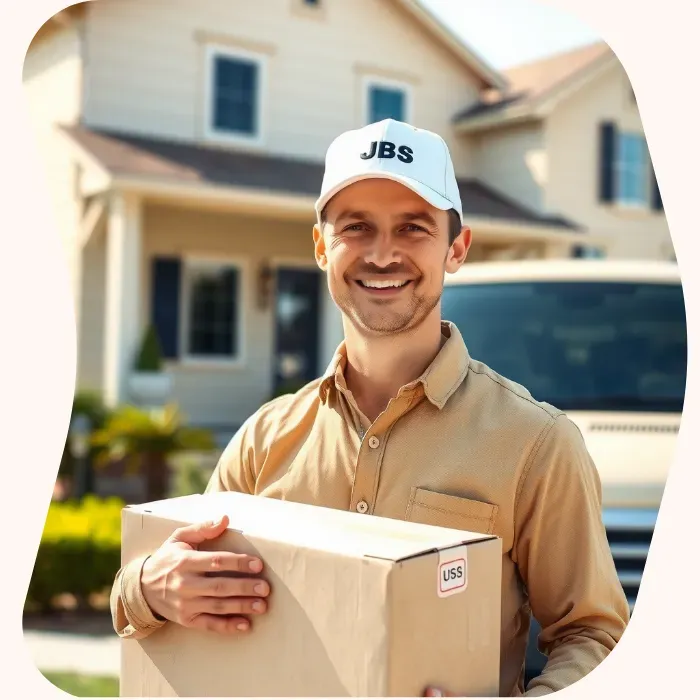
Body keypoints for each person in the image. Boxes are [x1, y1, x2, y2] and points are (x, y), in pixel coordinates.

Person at [110, 119, 629, 697]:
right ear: (320, 247)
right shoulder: (264, 439)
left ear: (456, 249)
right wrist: (147, 589)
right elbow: (166, 586)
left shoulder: (537, 443)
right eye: (357, 227)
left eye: (413, 228)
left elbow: (595, 637)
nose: (383, 254)